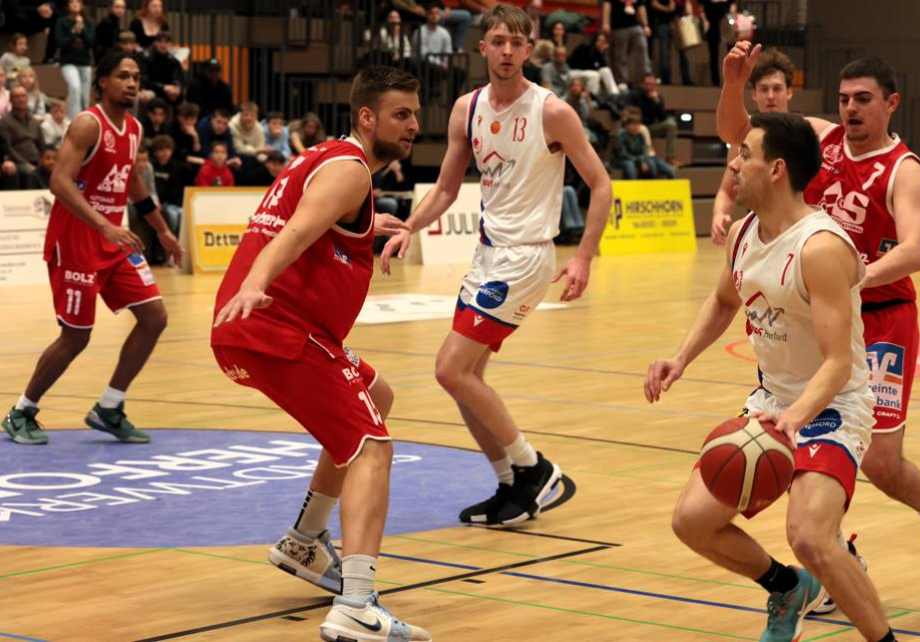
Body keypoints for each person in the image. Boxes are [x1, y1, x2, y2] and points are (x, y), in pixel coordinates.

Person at [718, 43, 920, 602]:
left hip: (882, 317)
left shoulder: (902, 169)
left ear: (890, 104)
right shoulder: (820, 138)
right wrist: (734, 83)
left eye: (863, 99)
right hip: (817, 314)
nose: (851, 108)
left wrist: (851, 279)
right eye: (843, 99)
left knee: (880, 461)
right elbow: (736, 131)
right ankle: (837, 557)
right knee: (801, 444)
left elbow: (914, 251)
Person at [652, 110, 901, 642]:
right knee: (691, 521)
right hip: (772, 400)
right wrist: (680, 359)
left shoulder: (821, 248)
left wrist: (794, 420)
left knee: (810, 537)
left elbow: (838, 363)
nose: (733, 164)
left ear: (776, 169)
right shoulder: (742, 234)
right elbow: (724, 301)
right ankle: (788, 588)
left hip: (833, 407)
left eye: (745, 154)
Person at [210, 64, 431, 642]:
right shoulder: (351, 170)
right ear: (367, 117)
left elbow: (309, 220)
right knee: (371, 445)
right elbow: (296, 232)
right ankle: (357, 604)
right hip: (277, 328)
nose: (413, 124)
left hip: (270, 329)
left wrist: (362, 228)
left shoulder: (326, 158)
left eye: (415, 113)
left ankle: (305, 540)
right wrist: (254, 284)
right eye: (401, 114)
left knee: (378, 395)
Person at [380, 4, 613, 526]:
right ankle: (510, 484)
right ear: (482, 47)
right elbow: (446, 189)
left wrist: (583, 257)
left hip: (526, 257)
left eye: (516, 43)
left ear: (529, 50)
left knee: (450, 368)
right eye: (498, 41)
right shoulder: (467, 108)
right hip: (486, 254)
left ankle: (534, 468)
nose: (507, 51)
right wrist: (409, 227)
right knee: (466, 380)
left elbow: (601, 184)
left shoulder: (552, 112)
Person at [2, 51, 182, 446]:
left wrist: (163, 232)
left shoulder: (134, 128)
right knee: (76, 336)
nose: (132, 83)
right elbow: (59, 182)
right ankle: (21, 411)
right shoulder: (88, 124)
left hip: (112, 240)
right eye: (123, 76)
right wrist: (104, 224)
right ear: (102, 81)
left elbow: (132, 182)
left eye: (136, 77)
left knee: (154, 317)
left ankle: (109, 407)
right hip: (75, 240)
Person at [711, 47, 793, 245]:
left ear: (789, 92)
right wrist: (718, 214)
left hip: (796, 234)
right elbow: (727, 191)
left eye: (777, 88)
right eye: (764, 89)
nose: (770, 96)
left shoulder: (804, 133)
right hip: (759, 236)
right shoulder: (743, 138)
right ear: (754, 94)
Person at [624, 75, 678, 165]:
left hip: (651, 126)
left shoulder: (658, 98)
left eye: (652, 85)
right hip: (636, 126)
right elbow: (628, 112)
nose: (649, 87)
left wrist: (657, 102)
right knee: (643, 128)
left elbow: (663, 118)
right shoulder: (633, 95)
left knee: (671, 124)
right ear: (642, 84)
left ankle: (671, 157)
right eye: (647, 84)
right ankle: (649, 156)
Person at [55, 0, 95, 119]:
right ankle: (73, 119)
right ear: (67, 6)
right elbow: (60, 43)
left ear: (81, 5)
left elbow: (90, 43)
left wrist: (82, 29)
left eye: (77, 2)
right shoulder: (62, 22)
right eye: (72, 2)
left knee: (84, 96)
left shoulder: (89, 22)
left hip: (84, 62)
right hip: (68, 62)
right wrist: (74, 32)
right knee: (74, 87)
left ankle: (84, 118)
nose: (75, 4)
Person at [601, 0, 651, 89]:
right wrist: (606, 23)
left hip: (635, 26)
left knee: (642, 51)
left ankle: (645, 78)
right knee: (620, 56)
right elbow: (607, 5)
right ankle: (622, 81)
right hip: (619, 27)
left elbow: (641, 7)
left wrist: (645, 25)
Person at [0, 85, 45, 171]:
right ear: (11, 100)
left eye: (23, 96)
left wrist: (42, 161)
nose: (20, 99)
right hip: (17, 163)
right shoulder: (5, 122)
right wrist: (25, 164)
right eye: (16, 97)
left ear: (27, 99)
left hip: (37, 161)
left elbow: (42, 145)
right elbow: (7, 148)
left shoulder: (34, 122)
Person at [149, 134, 187, 235]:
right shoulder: (151, 166)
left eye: (168, 149)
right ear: (155, 152)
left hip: (172, 202)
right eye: (161, 150)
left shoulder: (176, 167)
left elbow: (176, 189)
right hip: (157, 202)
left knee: (182, 214)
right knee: (172, 216)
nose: (165, 153)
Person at [568, 32, 619, 98]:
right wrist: (599, 53)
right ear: (595, 41)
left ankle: (615, 94)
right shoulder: (586, 48)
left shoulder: (599, 53)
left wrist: (602, 53)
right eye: (599, 41)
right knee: (595, 75)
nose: (601, 43)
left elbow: (602, 66)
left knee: (606, 70)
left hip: (588, 71)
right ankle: (592, 97)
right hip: (575, 70)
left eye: (603, 42)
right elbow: (588, 66)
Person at [139, 32, 185, 106]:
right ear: (154, 43)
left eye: (166, 42)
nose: (163, 45)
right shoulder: (145, 57)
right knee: (148, 96)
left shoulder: (173, 60)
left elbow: (177, 77)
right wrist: (163, 87)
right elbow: (145, 80)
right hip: (150, 89)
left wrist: (176, 87)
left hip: (167, 90)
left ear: (170, 44)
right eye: (160, 42)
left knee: (178, 94)